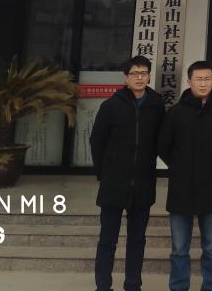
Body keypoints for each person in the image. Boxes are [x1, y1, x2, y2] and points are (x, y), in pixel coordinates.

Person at [158, 60, 212, 291]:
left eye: (207, 79)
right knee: (179, 249)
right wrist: (179, 167)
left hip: (211, 189)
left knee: (211, 247)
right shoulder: (176, 112)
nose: (203, 83)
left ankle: (211, 286)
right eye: (198, 79)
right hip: (181, 189)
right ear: (189, 81)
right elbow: (163, 145)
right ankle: (179, 287)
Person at [89, 56, 167, 291]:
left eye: (143, 73)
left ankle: (133, 285)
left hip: (143, 184)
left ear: (149, 76)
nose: (139, 78)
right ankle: (103, 285)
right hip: (114, 184)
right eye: (134, 74)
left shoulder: (157, 105)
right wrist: (103, 173)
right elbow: (96, 141)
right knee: (107, 240)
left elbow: (162, 140)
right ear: (126, 78)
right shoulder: (111, 106)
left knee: (137, 241)